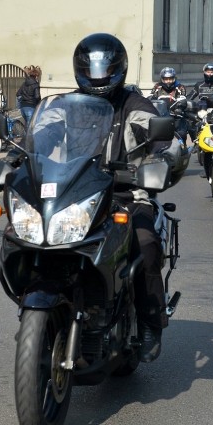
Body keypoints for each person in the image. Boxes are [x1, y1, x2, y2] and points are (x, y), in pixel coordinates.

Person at [73, 32, 173, 363]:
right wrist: (22, 155)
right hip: (79, 195)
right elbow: (44, 134)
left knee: (143, 244)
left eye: (104, 70)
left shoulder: (133, 104)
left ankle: (150, 323)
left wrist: (163, 152)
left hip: (127, 195)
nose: (98, 78)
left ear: (118, 69)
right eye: (91, 71)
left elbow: (157, 132)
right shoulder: (72, 106)